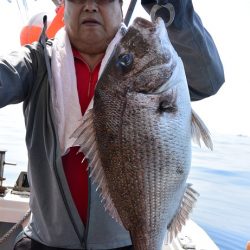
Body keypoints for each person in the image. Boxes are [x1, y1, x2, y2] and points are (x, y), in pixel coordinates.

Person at [0, 0, 224, 249]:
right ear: (64, 7)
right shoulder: (36, 62)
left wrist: (170, 5)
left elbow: (208, 80)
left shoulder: (155, 63)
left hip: (127, 242)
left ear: (121, 7)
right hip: (44, 242)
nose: (90, 6)